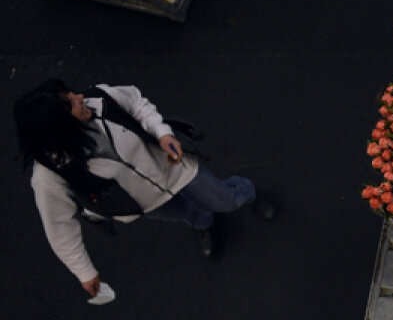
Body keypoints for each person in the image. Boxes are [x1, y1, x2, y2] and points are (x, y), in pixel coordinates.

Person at [14, 78, 276, 299]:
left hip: (176, 168)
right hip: (146, 203)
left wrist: (163, 133)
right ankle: (203, 223)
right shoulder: (50, 175)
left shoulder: (100, 99)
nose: (80, 97)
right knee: (188, 212)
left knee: (225, 201)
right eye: (70, 103)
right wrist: (84, 272)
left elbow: (137, 103)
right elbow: (59, 227)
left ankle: (247, 192)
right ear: (60, 129)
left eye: (70, 94)